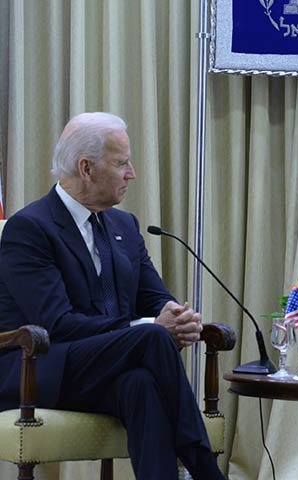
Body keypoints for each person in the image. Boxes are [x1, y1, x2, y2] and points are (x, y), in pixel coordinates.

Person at [0, 112, 225, 480]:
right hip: (42, 366)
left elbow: (155, 298)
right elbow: (56, 324)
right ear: (86, 168)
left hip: (106, 367)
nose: (132, 173)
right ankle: (203, 467)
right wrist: (152, 326)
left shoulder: (123, 225)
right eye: (121, 163)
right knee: (151, 337)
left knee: (140, 384)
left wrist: (177, 317)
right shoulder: (30, 228)